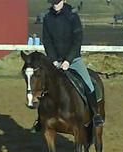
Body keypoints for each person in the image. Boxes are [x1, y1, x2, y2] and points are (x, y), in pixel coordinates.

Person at [31, 0, 104, 132]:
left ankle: (95, 114)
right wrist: (53, 60)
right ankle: (40, 119)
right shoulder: (47, 17)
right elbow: (47, 40)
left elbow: (77, 38)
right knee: (43, 85)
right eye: (52, 2)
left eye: (57, 2)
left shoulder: (72, 15)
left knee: (89, 84)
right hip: (55, 60)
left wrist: (68, 60)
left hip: (73, 59)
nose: (54, 4)